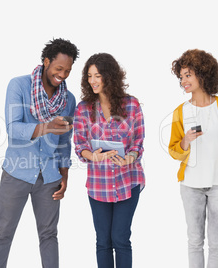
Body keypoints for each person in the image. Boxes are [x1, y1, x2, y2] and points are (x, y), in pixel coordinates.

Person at [0, 38, 79, 268]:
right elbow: (13, 129)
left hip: (49, 177)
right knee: (4, 234)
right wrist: (47, 126)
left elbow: (64, 141)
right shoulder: (19, 85)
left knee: (49, 236)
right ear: (46, 62)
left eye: (67, 70)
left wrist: (65, 175)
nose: (63, 75)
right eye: (59, 68)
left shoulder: (68, 100)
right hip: (16, 173)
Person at [168, 49, 218, 268]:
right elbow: (174, 150)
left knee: (217, 243)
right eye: (181, 77)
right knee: (195, 241)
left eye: (188, 75)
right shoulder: (180, 111)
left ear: (203, 74)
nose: (183, 81)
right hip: (190, 185)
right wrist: (186, 141)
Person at [73, 53, 145, 268]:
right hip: (98, 186)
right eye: (89, 76)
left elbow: (138, 142)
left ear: (110, 76)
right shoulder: (83, 108)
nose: (93, 80)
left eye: (98, 75)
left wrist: (128, 158)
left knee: (121, 239)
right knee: (103, 241)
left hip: (127, 181)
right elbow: (80, 146)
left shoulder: (131, 104)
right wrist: (92, 155)